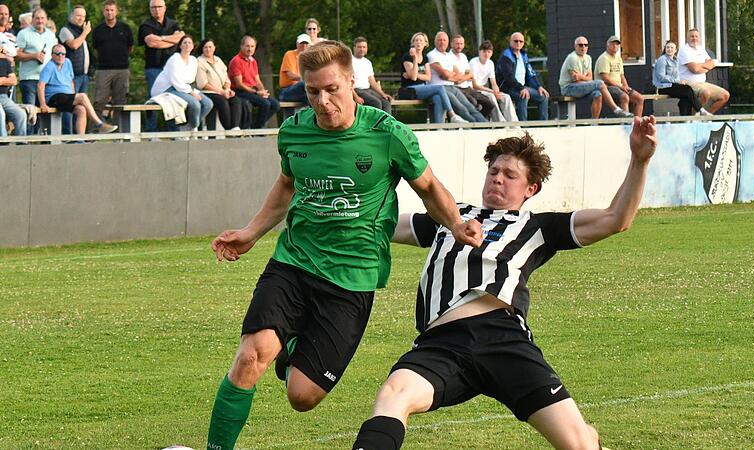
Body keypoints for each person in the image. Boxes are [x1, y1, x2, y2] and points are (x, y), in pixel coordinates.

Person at [205, 40, 483, 450]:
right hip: (293, 263)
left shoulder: (387, 134)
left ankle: (294, 344)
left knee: (303, 396)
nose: (321, 100)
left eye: (331, 89)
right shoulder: (294, 132)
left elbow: (428, 187)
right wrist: (251, 232)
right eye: (312, 91)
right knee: (250, 356)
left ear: (352, 81)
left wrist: (456, 224)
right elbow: (286, 185)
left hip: (352, 278)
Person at [352, 116, 658, 450]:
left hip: (503, 338)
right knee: (393, 395)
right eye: (494, 172)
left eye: (510, 175)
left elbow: (616, 219)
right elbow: (376, 225)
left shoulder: (539, 226)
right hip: (441, 344)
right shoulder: (451, 216)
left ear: (531, 189)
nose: (498, 179)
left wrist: (640, 161)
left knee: (579, 445)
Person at [37, 43, 117, 135]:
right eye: (58, 54)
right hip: (54, 97)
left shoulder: (67, 62)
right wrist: (43, 104)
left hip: (66, 97)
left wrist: (73, 95)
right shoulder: (49, 67)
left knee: (81, 109)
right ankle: (99, 124)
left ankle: (80, 139)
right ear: (52, 55)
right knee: (82, 96)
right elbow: (40, 85)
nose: (61, 56)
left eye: (63, 54)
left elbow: (71, 81)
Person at [398, 31, 468, 124]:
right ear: (413, 43)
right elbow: (414, 78)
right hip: (409, 89)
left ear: (425, 44)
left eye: (421, 40)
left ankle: (438, 128)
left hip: (423, 87)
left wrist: (415, 74)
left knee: (437, 98)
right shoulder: (408, 57)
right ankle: (452, 115)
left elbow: (428, 77)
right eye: (416, 40)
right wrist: (414, 59)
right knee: (440, 87)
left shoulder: (425, 57)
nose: (418, 42)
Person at [558, 36, 630, 119]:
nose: (583, 47)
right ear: (575, 46)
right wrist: (585, 79)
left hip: (581, 86)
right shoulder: (572, 58)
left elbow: (590, 78)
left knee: (597, 94)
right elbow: (576, 80)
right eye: (580, 45)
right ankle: (616, 109)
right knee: (600, 83)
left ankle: (594, 123)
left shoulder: (588, 58)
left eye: (586, 45)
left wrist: (581, 77)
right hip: (568, 88)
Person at [150, 34, 212, 131]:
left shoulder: (193, 60)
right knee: (195, 104)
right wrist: (191, 93)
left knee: (208, 103)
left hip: (183, 87)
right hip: (168, 88)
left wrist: (191, 91)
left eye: (189, 43)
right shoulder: (174, 59)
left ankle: (189, 126)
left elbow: (190, 79)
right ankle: (193, 128)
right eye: (185, 42)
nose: (187, 44)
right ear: (180, 46)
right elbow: (176, 81)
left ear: (192, 46)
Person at [138, 0, 184, 131]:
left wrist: (161, 38)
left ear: (165, 8)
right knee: (153, 99)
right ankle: (151, 131)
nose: (156, 10)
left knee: (173, 99)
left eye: (159, 7)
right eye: (153, 7)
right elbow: (152, 43)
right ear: (150, 9)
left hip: (172, 70)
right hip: (154, 68)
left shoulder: (174, 23)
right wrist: (172, 39)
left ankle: (173, 131)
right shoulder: (145, 25)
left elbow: (180, 39)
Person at [427, 31, 486, 122]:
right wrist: (450, 75)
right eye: (439, 40)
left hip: (453, 86)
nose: (442, 42)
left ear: (447, 42)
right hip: (441, 88)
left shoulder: (448, 56)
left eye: (444, 40)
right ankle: (474, 127)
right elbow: (445, 74)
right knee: (461, 108)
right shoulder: (432, 55)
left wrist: (450, 76)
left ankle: (485, 125)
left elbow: (460, 73)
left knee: (470, 107)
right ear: (435, 42)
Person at [92, 0, 134, 120]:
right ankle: (96, 131)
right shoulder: (98, 30)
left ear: (116, 11)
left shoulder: (125, 28)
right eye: (107, 10)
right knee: (99, 101)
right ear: (103, 12)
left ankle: (120, 134)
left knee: (120, 102)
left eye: (112, 10)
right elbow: (96, 50)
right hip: (103, 70)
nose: (109, 13)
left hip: (122, 70)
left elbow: (130, 47)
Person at [228, 35, 280, 129]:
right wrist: (256, 92)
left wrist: (263, 92)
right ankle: (258, 129)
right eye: (247, 46)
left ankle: (255, 126)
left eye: (252, 46)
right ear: (241, 46)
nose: (250, 49)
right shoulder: (236, 61)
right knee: (265, 104)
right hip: (240, 92)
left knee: (275, 105)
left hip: (252, 91)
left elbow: (257, 81)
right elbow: (239, 84)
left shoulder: (253, 61)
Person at [496, 32, 549, 121]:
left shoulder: (524, 55)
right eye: (516, 41)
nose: (518, 43)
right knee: (523, 96)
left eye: (521, 41)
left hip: (521, 87)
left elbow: (530, 74)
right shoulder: (506, 56)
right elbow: (508, 77)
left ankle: (543, 124)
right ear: (510, 42)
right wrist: (521, 88)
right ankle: (523, 126)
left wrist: (538, 86)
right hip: (508, 88)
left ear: (523, 43)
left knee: (543, 96)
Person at [677, 28, 730, 114]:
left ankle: (706, 117)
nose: (694, 38)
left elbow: (711, 63)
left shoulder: (701, 49)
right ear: (687, 38)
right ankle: (692, 117)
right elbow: (694, 69)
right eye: (692, 36)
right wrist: (704, 66)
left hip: (702, 83)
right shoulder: (684, 50)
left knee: (725, 95)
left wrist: (700, 65)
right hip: (689, 83)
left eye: (696, 36)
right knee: (706, 93)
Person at [653, 40, 709, 116]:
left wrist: (682, 81)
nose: (669, 49)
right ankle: (700, 109)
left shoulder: (675, 61)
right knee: (687, 89)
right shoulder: (662, 60)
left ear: (675, 50)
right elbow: (661, 77)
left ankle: (685, 119)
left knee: (685, 97)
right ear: (665, 49)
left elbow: (677, 76)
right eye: (668, 47)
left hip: (672, 86)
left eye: (672, 48)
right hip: (663, 87)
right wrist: (677, 81)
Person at [197, 38, 242, 130]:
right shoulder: (199, 61)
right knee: (222, 102)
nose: (208, 49)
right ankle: (229, 128)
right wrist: (221, 92)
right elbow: (203, 84)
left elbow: (226, 78)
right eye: (205, 47)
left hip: (222, 91)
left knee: (235, 100)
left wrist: (227, 90)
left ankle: (235, 127)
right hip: (207, 92)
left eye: (210, 47)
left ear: (214, 48)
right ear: (202, 48)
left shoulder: (218, 60)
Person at [15, 8, 57, 106]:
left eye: (42, 18)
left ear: (46, 20)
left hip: (47, 79)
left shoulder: (51, 35)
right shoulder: (24, 33)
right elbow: (16, 55)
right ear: (32, 19)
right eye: (37, 18)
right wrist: (33, 56)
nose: (40, 21)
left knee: (45, 112)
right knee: (31, 113)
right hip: (29, 79)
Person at [469, 40, 517, 122]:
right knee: (491, 96)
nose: (486, 54)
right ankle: (500, 122)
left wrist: (497, 91)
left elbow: (493, 82)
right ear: (479, 52)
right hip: (474, 90)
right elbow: (475, 85)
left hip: (485, 90)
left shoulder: (490, 63)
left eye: (489, 52)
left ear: (491, 53)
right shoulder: (473, 62)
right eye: (484, 51)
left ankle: (514, 123)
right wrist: (492, 91)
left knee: (506, 97)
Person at [595, 35, 643, 117]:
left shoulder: (618, 58)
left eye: (617, 44)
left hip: (619, 86)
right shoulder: (604, 58)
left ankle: (637, 123)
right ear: (607, 44)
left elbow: (622, 75)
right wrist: (621, 86)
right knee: (624, 97)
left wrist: (626, 87)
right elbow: (605, 78)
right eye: (613, 44)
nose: (615, 46)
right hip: (607, 87)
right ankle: (626, 123)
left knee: (639, 98)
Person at [449, 34, 495, 119]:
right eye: (457, 44)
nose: (459, 46)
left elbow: (469, 74)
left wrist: (462, 77)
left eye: (461, 44)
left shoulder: (463, 56)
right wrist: (464, 77)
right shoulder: (448, 57)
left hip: (468, 88)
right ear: (451, 44)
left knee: (489, 104)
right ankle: (473, 123)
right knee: (472, 102)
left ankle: (478, 122)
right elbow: (456, 80)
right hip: (456, 88)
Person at [352, 36, 392, 113]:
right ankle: (374, 124)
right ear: (354, 48)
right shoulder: (349, 61)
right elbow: (347, 83)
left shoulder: (367, 62)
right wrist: (355, 97)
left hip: (367, 90)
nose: (362, 49)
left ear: (367, 49)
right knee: (376, 102)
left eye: (364, 47)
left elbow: (372, 82)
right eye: (359, 47)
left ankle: (387, 124)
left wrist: (383, 94)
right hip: (356, 90)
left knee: (386, 102)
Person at [59, 5, 91, 95]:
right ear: (71, 16)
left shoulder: (81, 32)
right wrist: (85, 33)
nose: (81, 19)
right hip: (71, 76)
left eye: (83, 16)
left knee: (82, 105)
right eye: (78, 16)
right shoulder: (65, 30)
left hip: (84, 75)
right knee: (72, 103)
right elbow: (74, 45)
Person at [278, 33, 310, 106]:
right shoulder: (289, 54)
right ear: (297, 44)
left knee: (312, 97)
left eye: (306, 44)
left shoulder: (309, 59)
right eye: (302, 43)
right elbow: (290, 76)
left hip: (301, 92)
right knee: (303, 84)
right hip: (287, 91)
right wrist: (306, 79)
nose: (304, 46)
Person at [0, 47, 26, 136]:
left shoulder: (4, 62)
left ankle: (21, 143)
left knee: (20, 114)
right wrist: (5, 79)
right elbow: (9, 80)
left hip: (4, 97)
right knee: (1, 113)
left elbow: (14, 81)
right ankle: (3, 142)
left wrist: (1, 81)